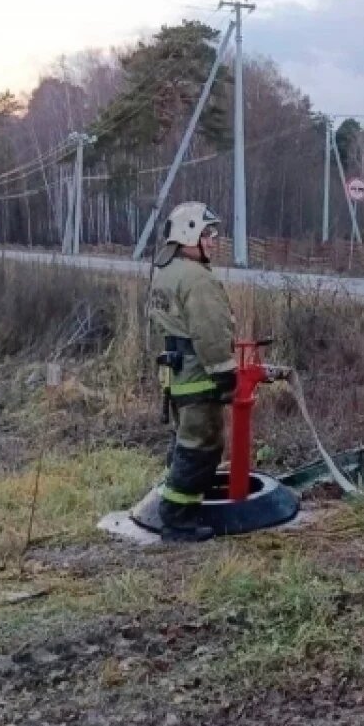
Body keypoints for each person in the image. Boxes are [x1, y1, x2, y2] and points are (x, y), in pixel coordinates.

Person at [148, 202, 237, 542]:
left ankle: (176, 504)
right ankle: (177, 518)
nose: (213, 240)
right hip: (197, 374)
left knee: (184, 440)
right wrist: (225, 374)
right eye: (207, 233)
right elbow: (210, 332)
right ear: (188, 235)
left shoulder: (166, 270)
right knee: (202, 444)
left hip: (175, 373)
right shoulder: (196, 278)